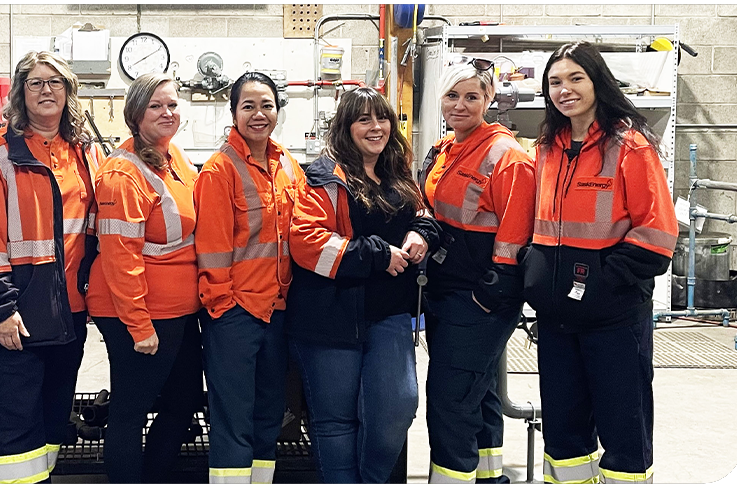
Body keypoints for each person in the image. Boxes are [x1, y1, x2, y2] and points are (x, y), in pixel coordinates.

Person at [523, 41, 677, 484]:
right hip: (556, 316)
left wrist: (608, 283)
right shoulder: (547, 146)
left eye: (576, 78)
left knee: (623, 428)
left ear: (597, 82)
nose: (564, 90)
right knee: (564, 436)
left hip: (612, 316)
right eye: (555, 81)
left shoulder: (629, 144)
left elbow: (658, 229)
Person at [0, 51, 101, 484]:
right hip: (14, 313)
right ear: (20, 93)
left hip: (69, 312)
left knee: (54, 419)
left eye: (55, 82)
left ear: (68, 91)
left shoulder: (82, 154)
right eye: (35, 83)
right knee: (17, 424)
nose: (46, 90)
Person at [287, 87, 439, 483]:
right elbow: (307, 243)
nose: (376, 127)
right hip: (330, 318)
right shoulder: (324, 176)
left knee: (396, 408)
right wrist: (377, 255)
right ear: (346, 127)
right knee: (335, 422)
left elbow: (422, 212)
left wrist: (423, 232)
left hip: (388, 315)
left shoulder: (397, 172)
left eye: (382, 118)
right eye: (364, 120)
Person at [418, 59, 536, 484]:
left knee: (450, 397)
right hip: (448, 288)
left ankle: (451, 482)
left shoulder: (508, 157)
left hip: (480, 293)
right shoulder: (446, 148)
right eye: (453, 95)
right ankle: (487, 477)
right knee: (477, 387)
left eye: (472, 96)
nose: (461, 105)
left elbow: (516, 231)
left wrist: (494, 289)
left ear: (489, 99)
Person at [85, 72, 202, 484]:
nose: (167, 113)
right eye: (155, 106)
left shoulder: (176, 158)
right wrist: (139, 326)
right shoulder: (123, 173)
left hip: (178, 311)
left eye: (172, 104)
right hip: (140, 314)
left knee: (182, 402)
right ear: (135, 114)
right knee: (131, 411)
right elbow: (120, 256)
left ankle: (153, 479)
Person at [194, 72, 304, 484]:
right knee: (233, 419)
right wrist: (223, 309)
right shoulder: (219, 171)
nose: (259, 115)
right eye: (249, 106)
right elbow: (211, 248)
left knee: (268, 414)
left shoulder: (287, 165)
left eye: (267, 106)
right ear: (233, 112)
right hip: (236, 314)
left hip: (277, 310)